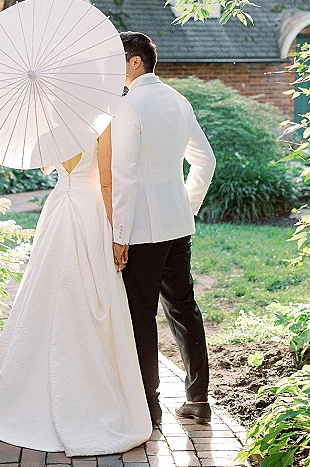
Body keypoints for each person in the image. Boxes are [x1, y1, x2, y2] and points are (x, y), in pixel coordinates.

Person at [0, 126, 152, 455]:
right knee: (88, 292)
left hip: (59, 206)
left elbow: (45, 168)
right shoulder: (103, 122)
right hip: (89, 209)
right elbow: (106, 180)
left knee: (46, 288)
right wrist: (117, 232)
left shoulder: (55, 122)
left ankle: (23, 392)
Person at [111, 32, 216, 426]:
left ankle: (149, 406)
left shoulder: (128, 107)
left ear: (135, 61)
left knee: (141, 314)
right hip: (177, 223)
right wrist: (184, 205)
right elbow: (206, 161)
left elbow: (125, 175)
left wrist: (119, 234)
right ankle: (199, 399)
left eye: (117, 59)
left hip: (140, 229)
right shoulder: (178, 100)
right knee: (184, 308)